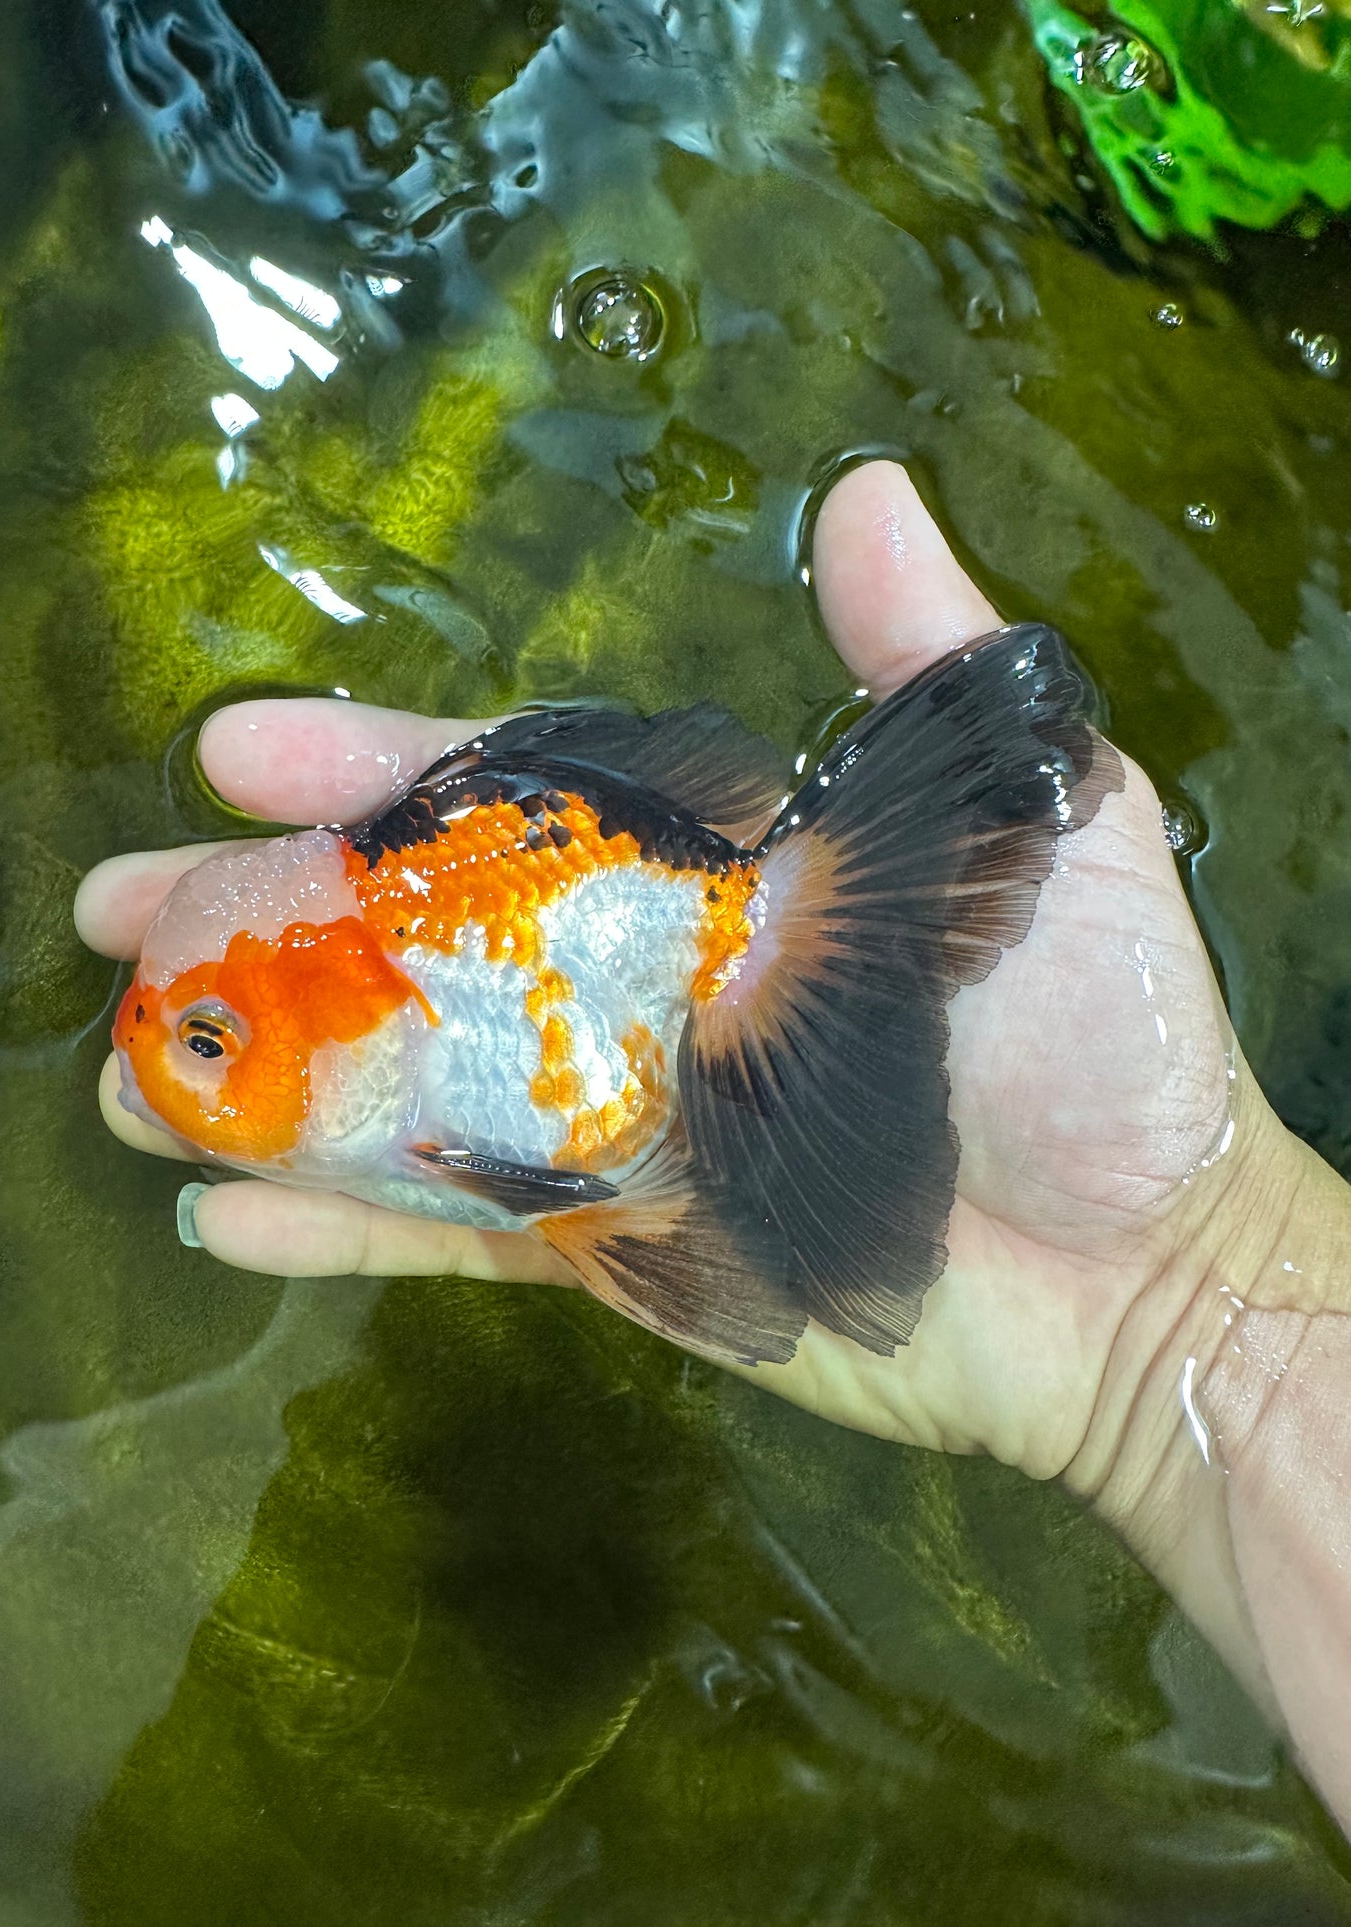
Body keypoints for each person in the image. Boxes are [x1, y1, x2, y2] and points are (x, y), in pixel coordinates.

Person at [76, 460, 1351, 1833]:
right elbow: (591, 1205)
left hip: (648, 918)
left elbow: (573, 1192)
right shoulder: (388, 1050)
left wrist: (1186, 1295)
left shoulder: (500, 1063)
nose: (158, 1054)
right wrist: (1192, 1316)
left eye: (205, 1040)